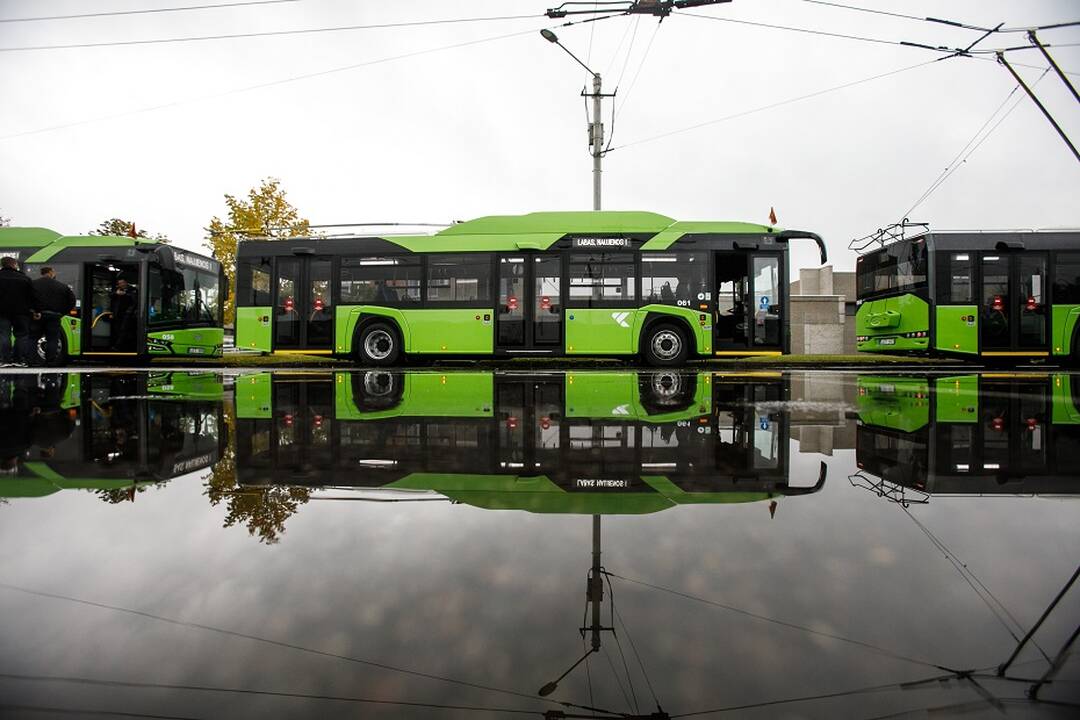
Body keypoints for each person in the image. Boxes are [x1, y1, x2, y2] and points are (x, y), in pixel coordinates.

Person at [32, 267, 76, 367]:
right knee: (52, 339)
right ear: (51, 273)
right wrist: (62, 313)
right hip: (55, 316)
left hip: (38, 315)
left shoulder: (33, 284)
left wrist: (33, 311)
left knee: (33, 338)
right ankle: (50, 361)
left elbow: (26, 298)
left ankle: (32, 361)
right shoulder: (62, 286)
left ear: (42, 273)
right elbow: (72, 301)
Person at [0, 256, 37, 366]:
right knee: (22, 336)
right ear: (14, 265)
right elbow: (33, 296)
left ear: (2, 265)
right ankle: (19, 360)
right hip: (22, 313)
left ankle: (4, 360)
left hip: (2, 312)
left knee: (4, 335)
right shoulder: (25, 278)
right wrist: (36, 310)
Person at [110, 277, 138, 351]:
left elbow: (135, 299)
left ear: (126, 282)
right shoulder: (117, 290)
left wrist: (125, 294)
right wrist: (116, 293)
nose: (121, 284)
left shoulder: (132, 289)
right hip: (117, 313)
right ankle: (122, 345)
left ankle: (118, 346)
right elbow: (110, 295)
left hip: (128, 313)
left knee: (124, 329)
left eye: (122, 283)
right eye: (119, 283)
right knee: (117, 329)